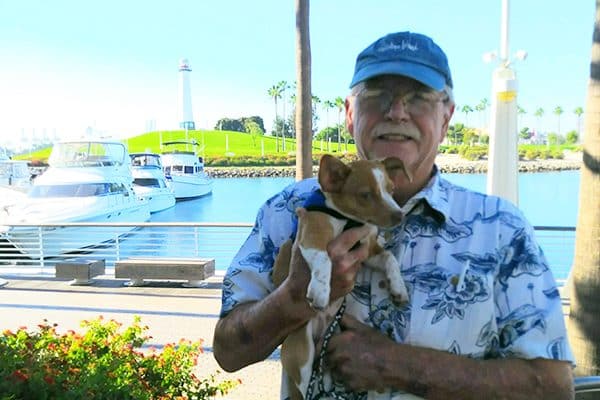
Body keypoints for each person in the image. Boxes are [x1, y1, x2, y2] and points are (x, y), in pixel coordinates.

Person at [213, 31, 574, 399]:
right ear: (351, 115)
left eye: (418, 98)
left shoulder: (501, 230)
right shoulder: (288, 211)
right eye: (377, 97)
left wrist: (396, 364)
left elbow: (554, 388)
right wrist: (293, 297)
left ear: (446, 116)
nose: (396, 112)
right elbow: (227, 351)